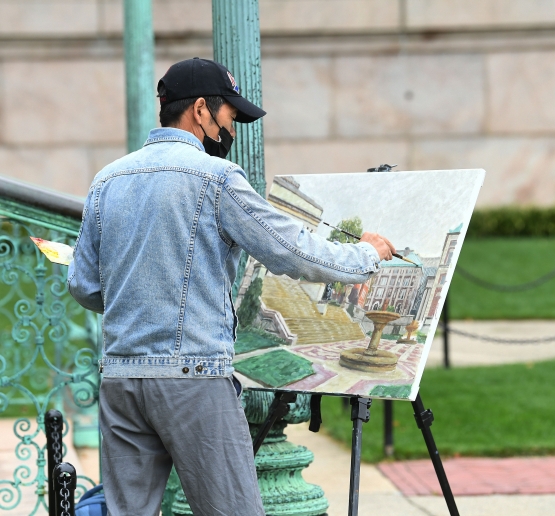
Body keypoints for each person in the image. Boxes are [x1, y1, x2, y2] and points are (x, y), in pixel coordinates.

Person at [67, 57, 395, 516]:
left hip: (121, 378)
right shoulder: (215, 178)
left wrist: (136, 293)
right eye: (230, 116)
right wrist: (366, 256)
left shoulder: (107, 180)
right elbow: (292, 251)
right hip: (193, 379)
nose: (234, 130)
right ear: (200, 110)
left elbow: (83, 286)